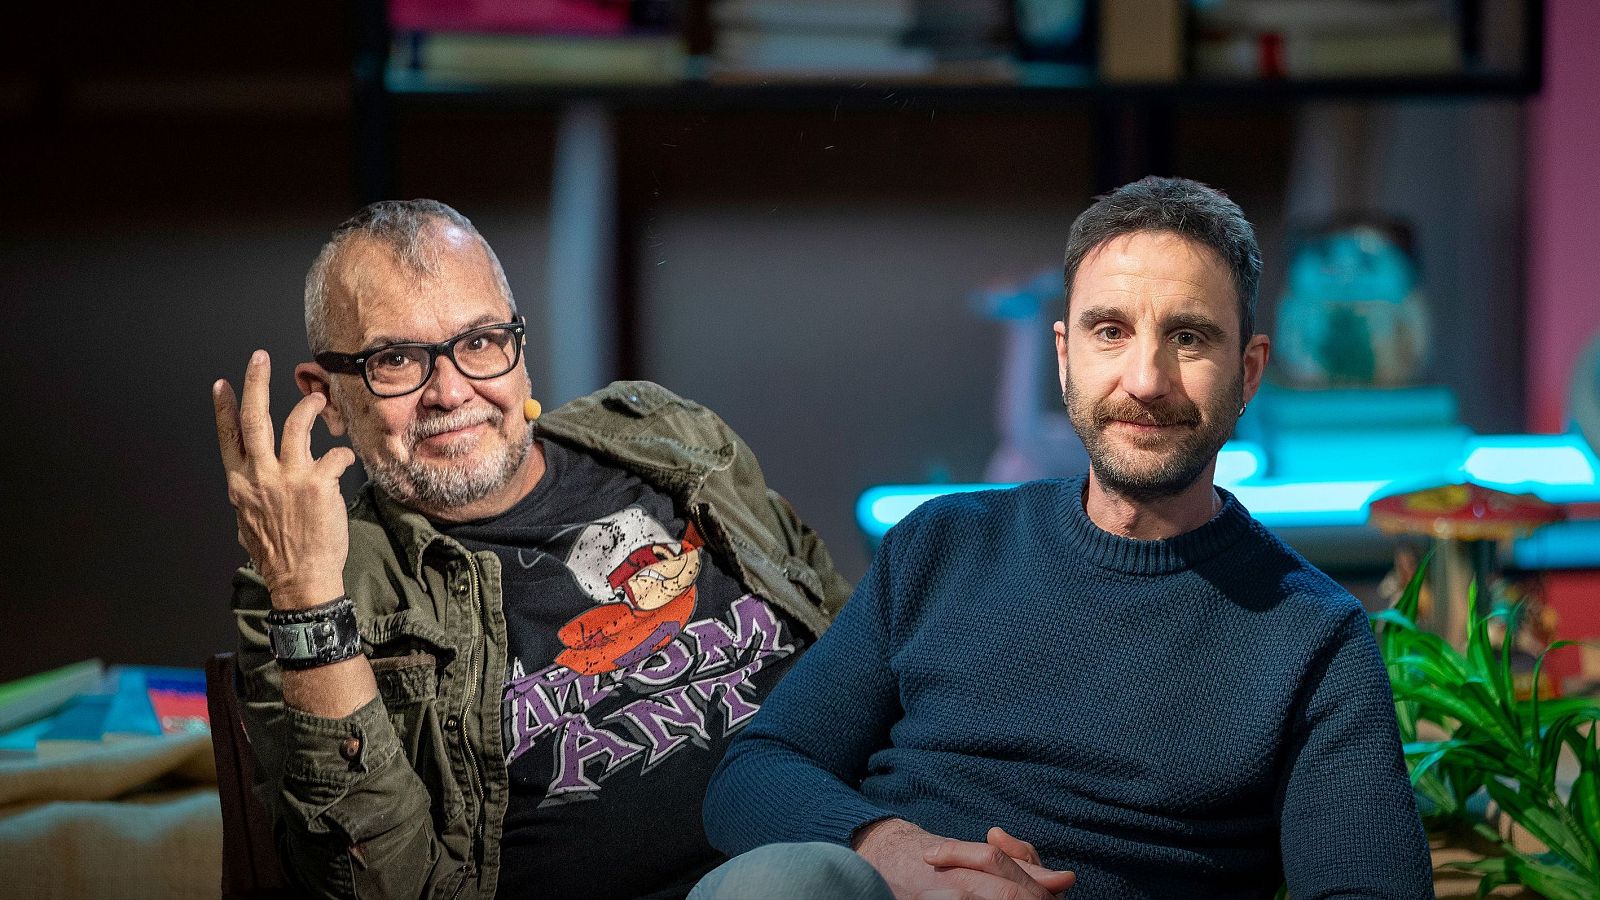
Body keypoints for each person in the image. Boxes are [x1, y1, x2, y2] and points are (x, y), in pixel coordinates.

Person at [698, 177, 1433, 899]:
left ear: (1248, 373)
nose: (1145, 379)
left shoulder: (1313, 636)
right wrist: (893, 851)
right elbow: (752, 776)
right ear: (1064, 355)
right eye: (1110, 331)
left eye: (1188, 337)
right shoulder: (940, 547)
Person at [213, 199, 850, 899]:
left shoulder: (667, 433)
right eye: (396, 360)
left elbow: (859, 642)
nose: (451, 391)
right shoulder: (318, 584)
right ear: (327, 396)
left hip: (861, 833)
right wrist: (305, 595)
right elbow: (376, 887)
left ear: (519, 346)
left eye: (480, 341)